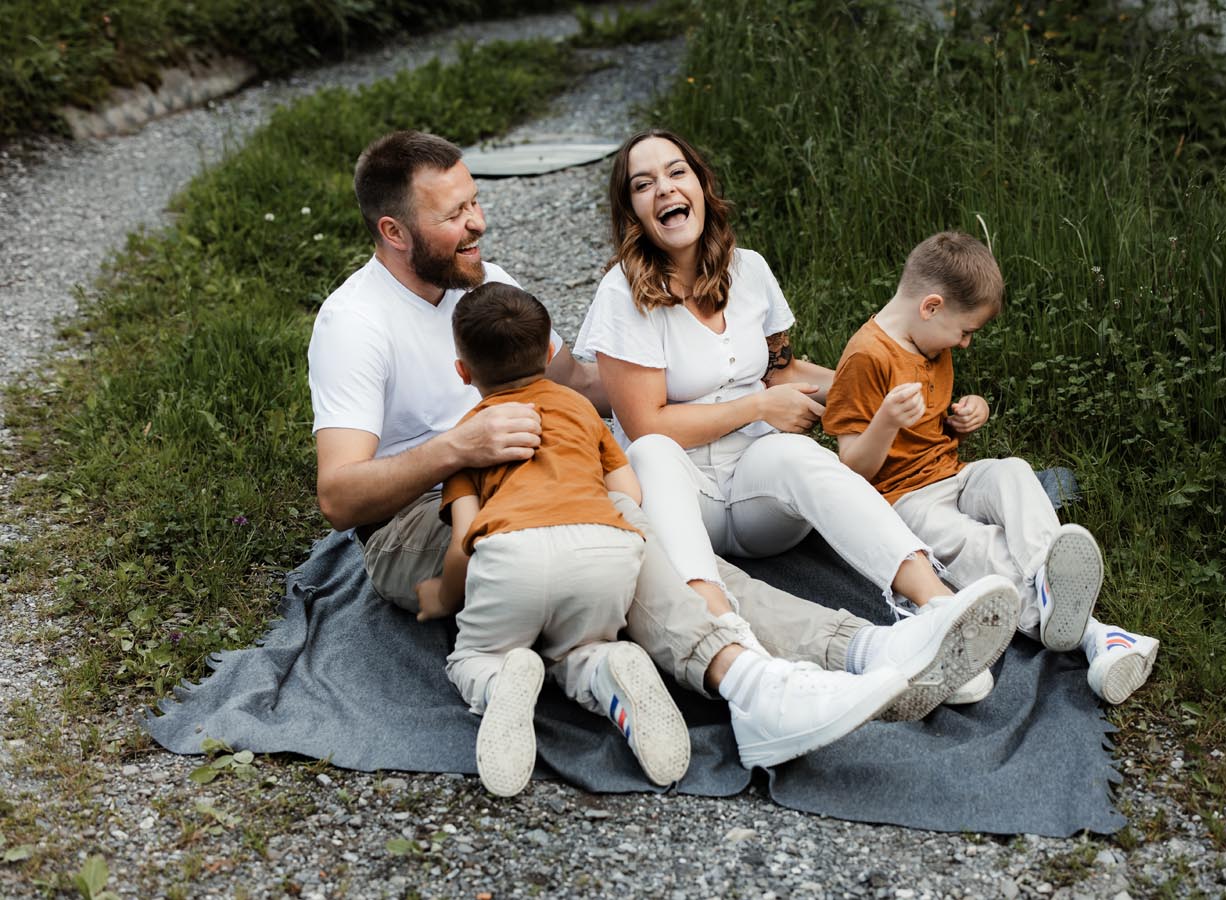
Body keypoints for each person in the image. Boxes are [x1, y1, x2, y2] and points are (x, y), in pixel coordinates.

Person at [307, 130, 991, 775]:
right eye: (454, 215)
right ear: (394, 232)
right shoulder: (355, 324)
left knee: (637, 538)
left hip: (533, 476)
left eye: (475, 202)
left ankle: (864, 647)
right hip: (423, 518)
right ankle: (755, 684)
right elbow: (339, 497)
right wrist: (459, 447)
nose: (478, 223)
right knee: (629, 551)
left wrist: (680, 364)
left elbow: (578, 383)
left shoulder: (487, 281)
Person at [575, 128, 1019, 717]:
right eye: (643, 183)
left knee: (800, 453)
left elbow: (781, 370)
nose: (664, 189)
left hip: (756, 491)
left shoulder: (749, 271)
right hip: (682, 495)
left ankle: (936, 613)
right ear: (630, 209)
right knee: (649, 455)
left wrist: (874, 390)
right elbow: (646, 423)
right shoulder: (621, 295)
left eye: (677, 172)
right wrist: (758, 407)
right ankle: (734, 645)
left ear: (701, 186)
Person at [823, 230, 1160, 704]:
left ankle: (1048, 576)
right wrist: (885, 422)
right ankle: (1098, 636)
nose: (964, 344)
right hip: (905, 500)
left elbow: (931, 431)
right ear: (931, 306)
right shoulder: (866, 357)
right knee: (984, 546)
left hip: (954, 474)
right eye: (965, 332)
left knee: (1013, 473)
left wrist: (965, 418)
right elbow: (853, 468)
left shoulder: (931, 342)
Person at [408, 282, 685, 796]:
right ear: (548, 352)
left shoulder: (469, 435)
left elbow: (464, 536)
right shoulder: (580, 408)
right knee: (582, 646)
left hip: (513, 556)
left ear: (463, 372)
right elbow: (628, 492)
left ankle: (501, 680)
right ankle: (607, 667)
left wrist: (441, 597)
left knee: (473, 658)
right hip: (603, 549)